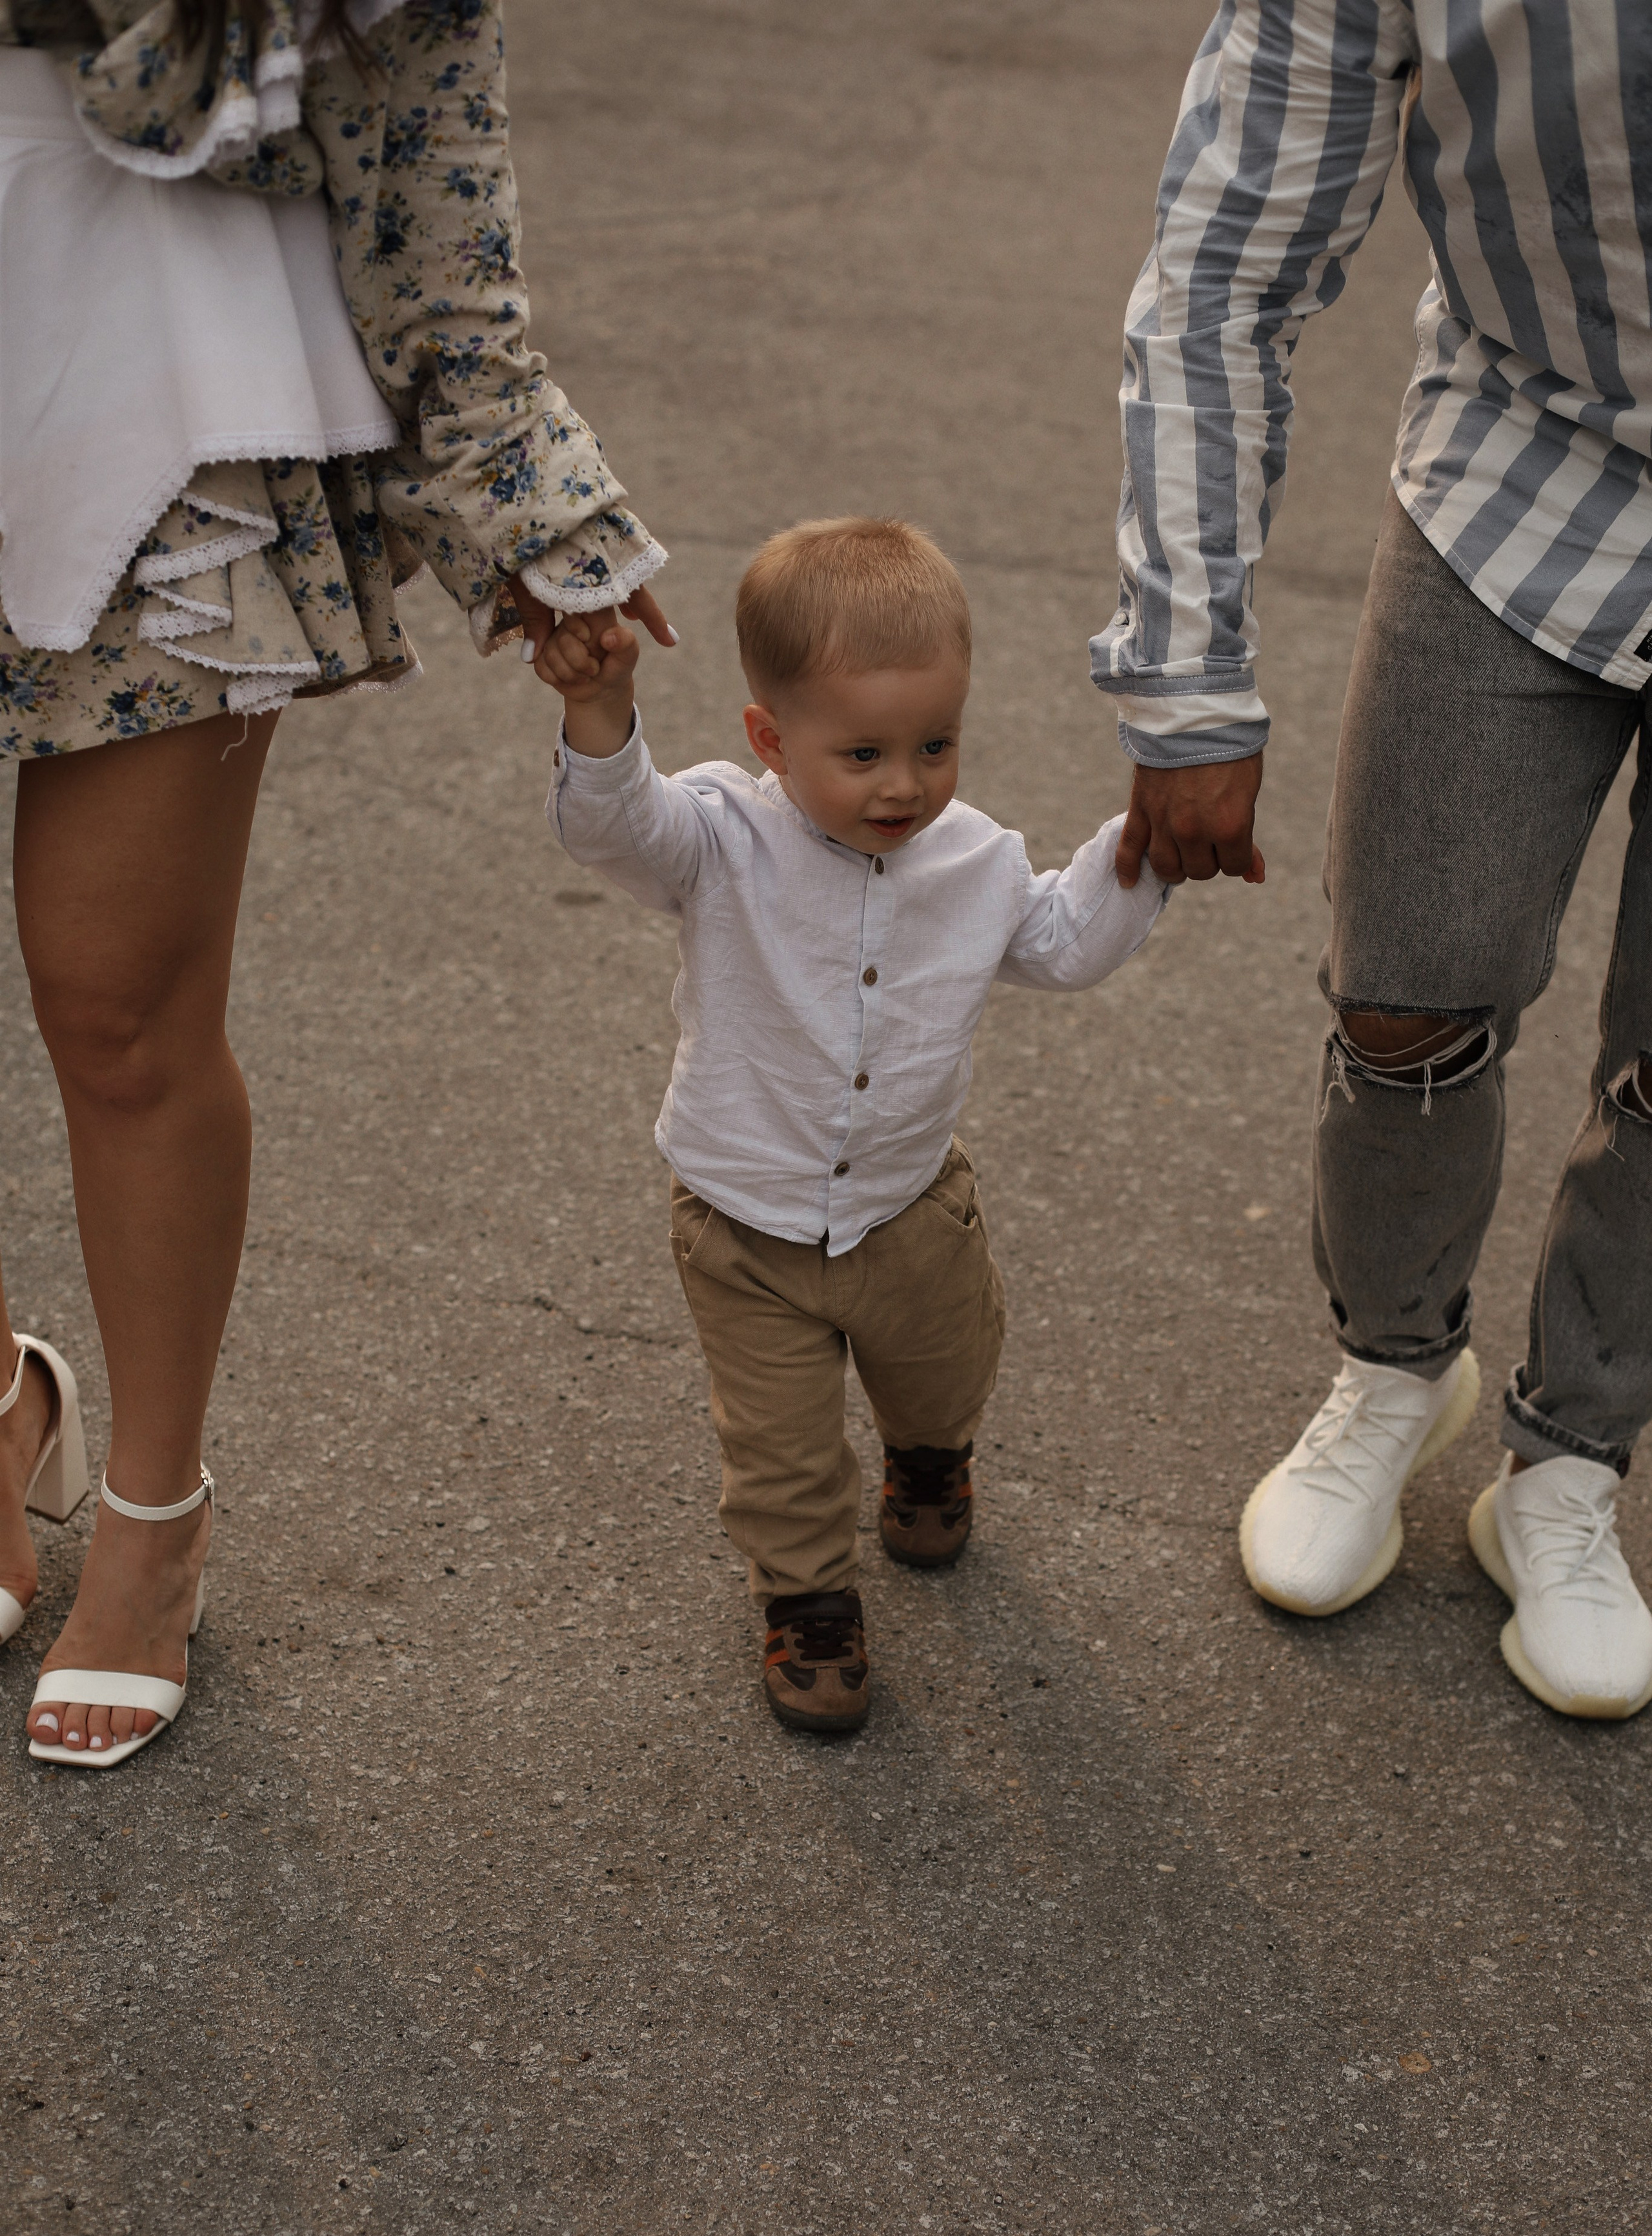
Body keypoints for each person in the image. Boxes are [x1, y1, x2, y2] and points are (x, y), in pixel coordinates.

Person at [0, 0, 670, 1767]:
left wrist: (529, 503)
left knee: (118, 1001)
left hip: (158, 375)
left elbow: (424, 117)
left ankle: (152, 1512)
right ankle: (0, 1408)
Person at [1096, 0, 1652, 1720]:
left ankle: (1566, 1466)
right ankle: (1395, 1366)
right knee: (1408, 991)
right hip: (1527, 460)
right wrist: (1186, 672)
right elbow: (1221, 264)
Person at [537, 517, 1166, 1733]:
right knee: (779, 1450)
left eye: (937, 743)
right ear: (770, 740)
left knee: (945, 1366)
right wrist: (604, 709)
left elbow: (1064, 941)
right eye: (865, 750)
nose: (906, 783)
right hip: (743, 1223)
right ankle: (809, 1596)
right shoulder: (722, 834)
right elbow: (614, 830)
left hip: (908, 1202)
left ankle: (930, 1456)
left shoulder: (975, 858)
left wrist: (1144, 851)